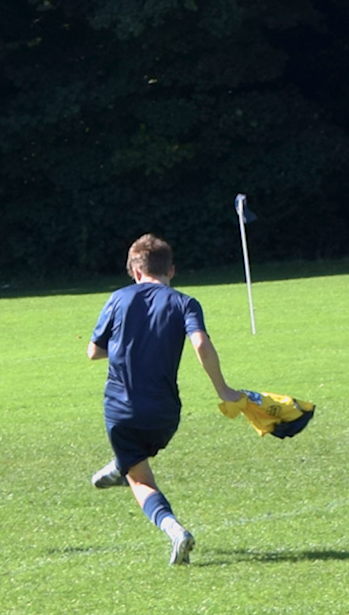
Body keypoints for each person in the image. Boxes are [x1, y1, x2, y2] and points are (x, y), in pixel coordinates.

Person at [87, 234, 239, 565]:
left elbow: (93, 352)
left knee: (139, 478)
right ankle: (119, 465)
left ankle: (174, 530)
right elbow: (200, 344)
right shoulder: (185, 303)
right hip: (165, 414)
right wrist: (223, 390)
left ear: (135, 272)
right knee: (137, 457)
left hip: (121, 410)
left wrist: (128, 347)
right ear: (171, 270)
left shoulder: (118, 298)